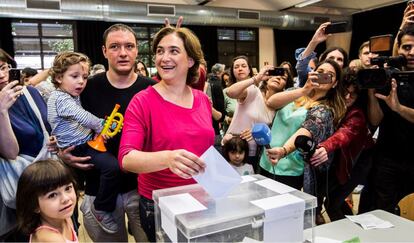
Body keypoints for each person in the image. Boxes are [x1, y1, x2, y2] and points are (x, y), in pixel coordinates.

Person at [58, 23, 155, 242]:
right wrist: (63, 154)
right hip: (98, 188)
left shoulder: (152, 88)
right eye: (115, 46)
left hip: (143, 188)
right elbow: (62, 125)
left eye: (129, 46)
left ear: (136, 50)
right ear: (104, 51)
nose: (123, 53)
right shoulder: (85, 88)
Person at [119, 26, 215, 242]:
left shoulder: (201, 99)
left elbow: (205, 146)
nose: (164, 58)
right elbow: (126, 158)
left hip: (203, 198)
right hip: (161, 203)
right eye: (160, 51)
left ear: (190, 60)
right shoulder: (142, 101)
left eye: (173, 51)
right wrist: (168, 158)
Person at [47, 51, 121, 234]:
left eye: (85, 77)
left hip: (82, 143)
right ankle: (101, 209)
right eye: (74, 76)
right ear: (58, 77)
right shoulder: (60, 98)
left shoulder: (70, 95)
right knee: (112, 167)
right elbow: (82, 116)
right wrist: (102, 125)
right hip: (79, 147)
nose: (81, 81)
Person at [0, 48, 56, 241]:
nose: (1, 75)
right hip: (20, 187)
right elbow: (11, 151)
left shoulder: (31, 93)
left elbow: (47, 128)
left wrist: (55, 141)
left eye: (3, 67)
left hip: (49, 177)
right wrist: (2, 110)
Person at [310, 69, 374, 221]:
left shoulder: (357, 114)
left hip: (358, 162)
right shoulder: (330, 104)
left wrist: (325, 147)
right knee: (329, 200)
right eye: (345, 91)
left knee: (333, 203)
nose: (348, 97)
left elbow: (344, 134)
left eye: (353, 94)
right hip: (338, 161)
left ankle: (350, 234)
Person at [367, 24, 414, 213]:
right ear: (399, 49)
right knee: (384, 211)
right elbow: (375, 119)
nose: (411, 52)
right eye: (407, 47)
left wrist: (398, 108)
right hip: (387, 158)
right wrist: (372, 88)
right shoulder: (388, 77)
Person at [223, 56, 290, 170]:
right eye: (275, 75)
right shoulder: (254, 91)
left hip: (253, 153)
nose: (278, 78)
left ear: (285, 85)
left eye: (283, 78)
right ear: (267, 78)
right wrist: (257, 78)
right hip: (233, 149)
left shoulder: (280, 106)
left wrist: (256, 131)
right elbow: (230, 92)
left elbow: (270, 129)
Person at [16, 159, 78, 243]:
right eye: (52, 195)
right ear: (34, 206)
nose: (66, 199)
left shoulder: (64, 217)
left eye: (67, 188)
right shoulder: (50, 239)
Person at [295, 22, 349, 87]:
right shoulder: (313, 77)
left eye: (339, 59)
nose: (335, 61)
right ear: (322, 60)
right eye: (331, 58)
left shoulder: (346, 83)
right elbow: (301, 66)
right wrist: (314, 41)